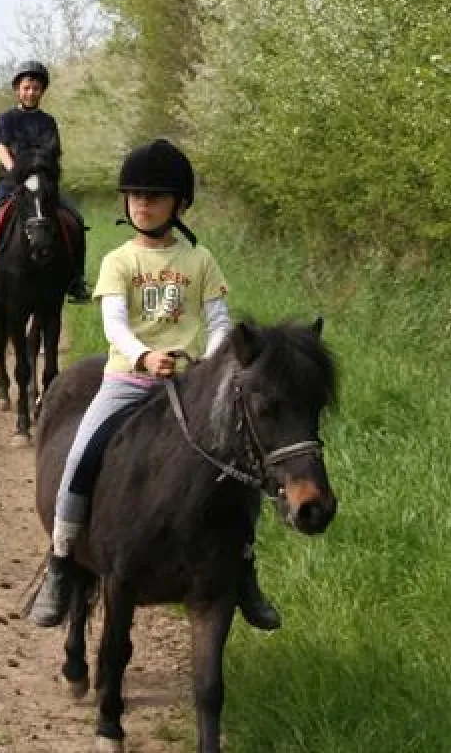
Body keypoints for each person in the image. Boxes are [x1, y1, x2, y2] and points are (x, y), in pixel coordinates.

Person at [27, 139, 281, 631]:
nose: (142, 203)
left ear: (178, 204)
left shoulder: (200, 260)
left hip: (188, 385)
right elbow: (114, 323)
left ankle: (244, 568)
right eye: (135, 194)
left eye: (155, 196)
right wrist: (145, 355)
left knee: (238, 467)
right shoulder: (120, 260)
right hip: (127, 378)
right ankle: (60, 561)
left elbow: (220, 319)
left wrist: (207, 363)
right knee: (81, 454)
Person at [0, 60, 89, 305]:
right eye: (26, 87)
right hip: (11, 184)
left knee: (76, 220)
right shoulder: (6, 119)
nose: (31, 92)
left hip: (42, 185)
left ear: (42, 91)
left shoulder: (48, 122)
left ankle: (76, 280)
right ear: (18, 90)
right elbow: (2, 149)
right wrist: (17, 172)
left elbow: (53, 154)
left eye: (36, 88)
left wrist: (45, 177)